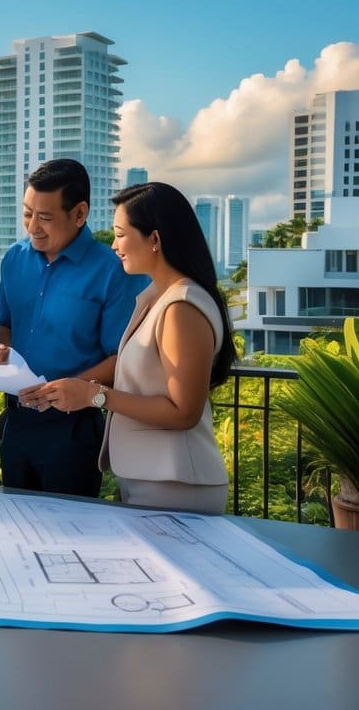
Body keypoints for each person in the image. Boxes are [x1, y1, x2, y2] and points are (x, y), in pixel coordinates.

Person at [38, 183, 235, 513]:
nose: (114, 245)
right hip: (150, 480)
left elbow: (183, 411)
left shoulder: (181, 307)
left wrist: (93, 395)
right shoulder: (157, 299)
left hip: (176, 486)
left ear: (155, 239)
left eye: (121, 234)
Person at [0, 158, 147, 497]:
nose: (32, 227)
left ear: (79, 214)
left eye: (45, 217)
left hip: (74, 427)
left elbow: (123, 357)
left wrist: (76, 388)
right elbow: (5, 326)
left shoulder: (113, 270)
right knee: (13, 528)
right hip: (16, 421)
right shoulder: (13, 259)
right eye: (28, 213)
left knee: (70, 538)